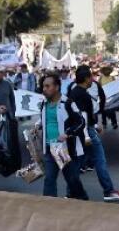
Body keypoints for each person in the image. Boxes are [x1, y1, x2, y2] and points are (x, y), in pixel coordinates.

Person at [70, 65, 119, 201]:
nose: (92, 80)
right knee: (100, 160)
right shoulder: (84, 95)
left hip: (78, 130)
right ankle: (109, 191)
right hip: (86, 131)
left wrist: (94, 125)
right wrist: (90, 131)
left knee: (77, 162)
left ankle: (71, 192)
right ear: (86, 78)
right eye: (90, 77)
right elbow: (83, 115)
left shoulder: (73, 91)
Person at [38, 72, 90, 200]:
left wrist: (68, 134)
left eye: (47, 86)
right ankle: (49, 205)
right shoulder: (44, 104)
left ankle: (83, 200)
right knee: (49, 179)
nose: (44, 89)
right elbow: (48, 120)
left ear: (56, 87)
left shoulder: (68, 103)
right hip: (49, 147)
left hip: (63, 148)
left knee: (72, 179)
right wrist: (38, 125)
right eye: (43, 86)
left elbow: (81, 122)